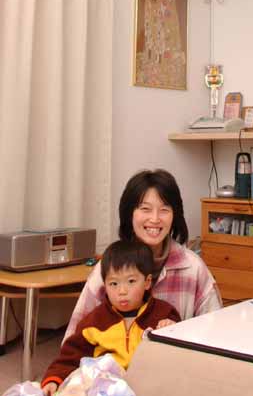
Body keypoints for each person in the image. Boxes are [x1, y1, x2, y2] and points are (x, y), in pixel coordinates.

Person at [65, 169, 221, 340]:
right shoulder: (109, 267)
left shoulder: (193, 267)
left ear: (174, 215)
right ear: (129, 214)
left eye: (164, 209)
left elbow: (215, 333)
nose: (155, 219)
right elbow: (74, 337)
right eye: (145, 209)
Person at [41, 240, 180, 395]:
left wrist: (171, 328)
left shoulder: (163, 313)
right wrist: (54, 379)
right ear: (105, 285)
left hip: (147, 386)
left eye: (131, 281)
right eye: (114, 284)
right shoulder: (94, 321)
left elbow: (181, 354)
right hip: (105, 387)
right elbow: (69, 357)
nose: (122, 291)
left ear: (147, 282)